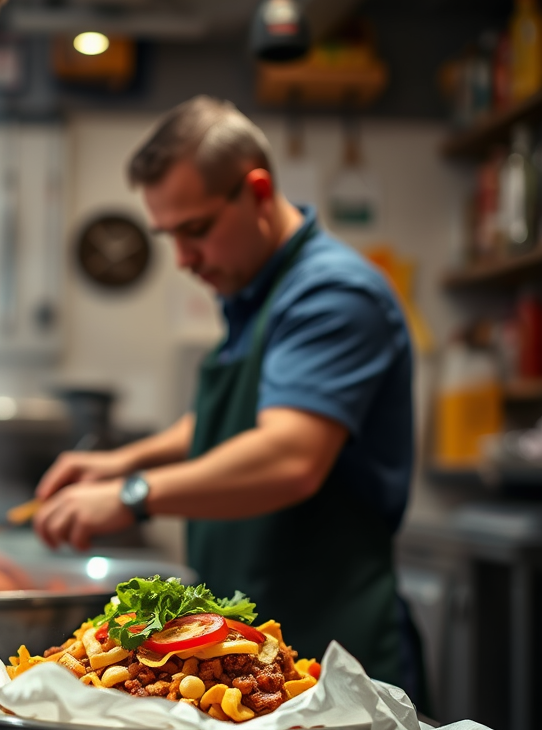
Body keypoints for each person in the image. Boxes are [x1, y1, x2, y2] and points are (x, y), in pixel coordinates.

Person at [33, 96, 414, 687]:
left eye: (198, 230)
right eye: (169, 236)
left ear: (258, 192)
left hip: (334, 647)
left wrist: (133, 493)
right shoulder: (252, 296)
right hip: (250, 641)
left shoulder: (333, 296)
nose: (184, 259)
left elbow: (289, 456)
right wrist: (124, 459)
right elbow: (227, 420)